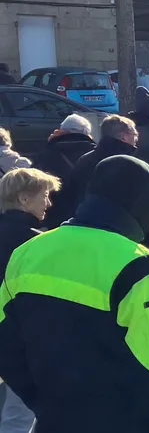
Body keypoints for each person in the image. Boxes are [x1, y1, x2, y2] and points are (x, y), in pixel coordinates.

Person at [0, 156, 149, 433]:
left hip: (55, 419)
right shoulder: (142, 266)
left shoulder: (29, 251)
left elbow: (6, 340)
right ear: (144, 203)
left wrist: (42, 402)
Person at [0, 168, 61, 433]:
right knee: (21, 411)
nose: (48, 203)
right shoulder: (36, 244)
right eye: (45, 195)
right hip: (22, 336)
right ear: (24, 199)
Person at [30, 114, 95, 229]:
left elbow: (33, 183)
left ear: (61, 131)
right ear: (88, 134)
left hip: (55, 219)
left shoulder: (47, 154)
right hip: (90, 218)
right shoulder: (96, 154)